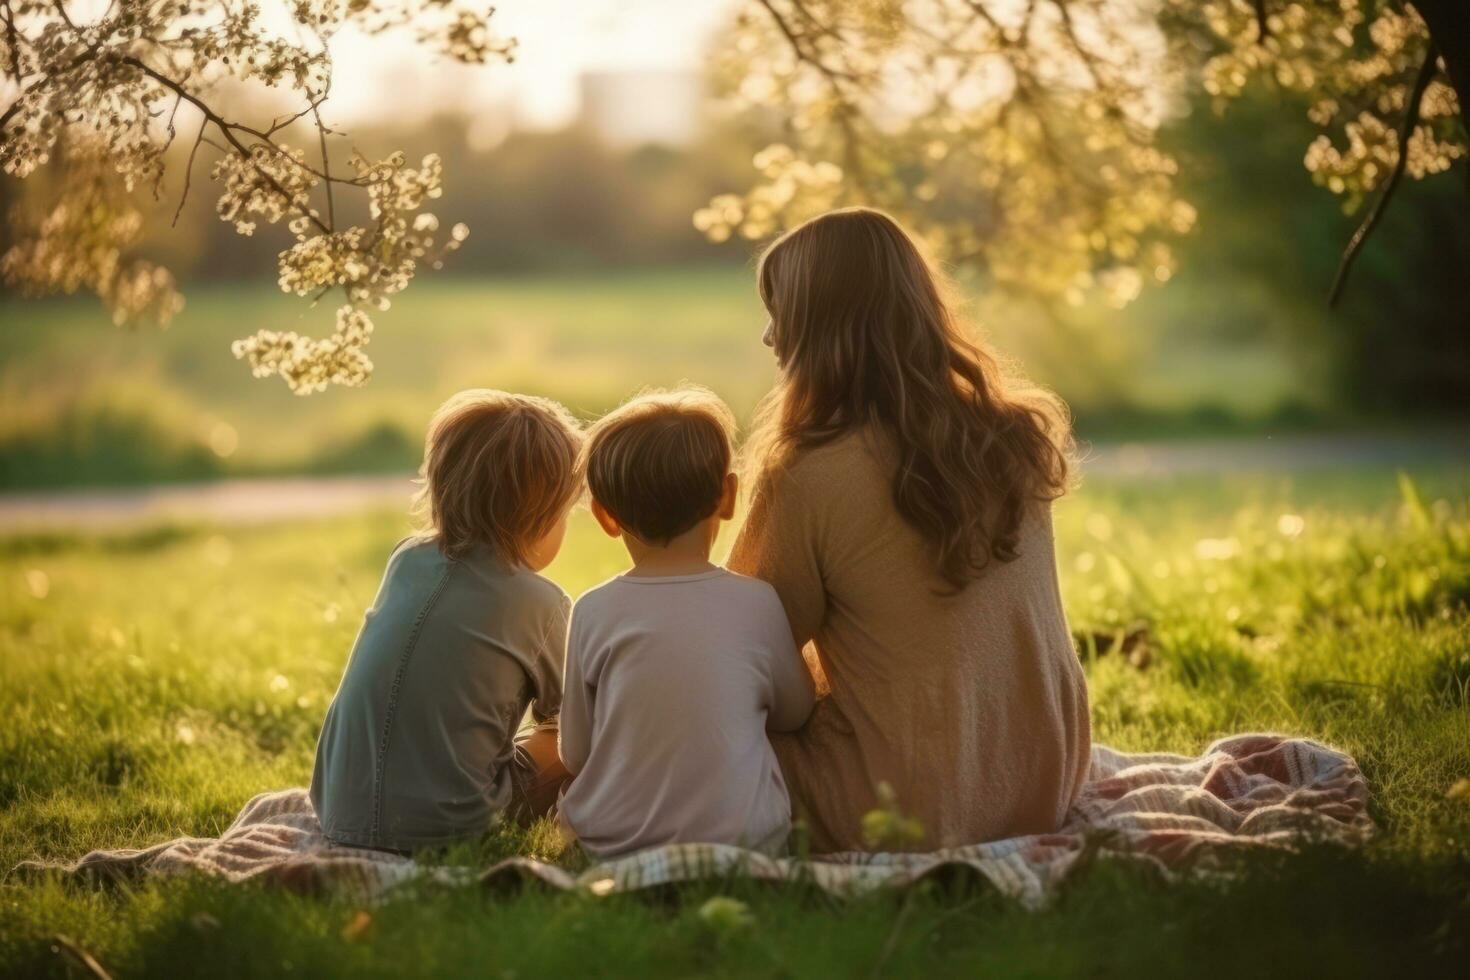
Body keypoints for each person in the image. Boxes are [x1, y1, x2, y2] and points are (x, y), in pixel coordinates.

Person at [728, 207, 1092, 853]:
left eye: (779, 310)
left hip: (901, 807)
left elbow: (734, 649)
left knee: (687, 729)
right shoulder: (1019, 436)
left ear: (821, 325)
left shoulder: (810, 474)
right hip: (1044, 780)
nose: (767, 336)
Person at [310, 390, 581, 853]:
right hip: (452, 827)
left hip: (336, 808)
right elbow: (576, 721)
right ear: (540, 515)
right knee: (575, 735)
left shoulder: (406, 558)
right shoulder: (541, 601)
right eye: (566, 512)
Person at [558, 388, 815, 858]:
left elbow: (576, 754)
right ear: (728, 496)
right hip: (746, 846)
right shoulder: (757, 602)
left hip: (614, 849)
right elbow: (796, 712)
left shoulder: (593, 610)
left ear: (605, 516)